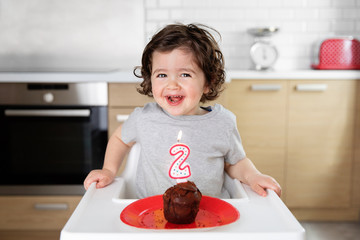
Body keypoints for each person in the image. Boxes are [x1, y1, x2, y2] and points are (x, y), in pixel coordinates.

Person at [84, 23, 281, 198]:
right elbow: (120, 138)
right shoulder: (145, 118)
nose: (172, 84)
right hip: (153, 217)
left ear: (207, 82)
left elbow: (235, 163)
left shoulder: (223, 122)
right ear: (149, 78)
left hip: (207, 216)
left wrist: (253, 176)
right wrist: (109, 170)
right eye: (161, 75)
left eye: (185, 74)